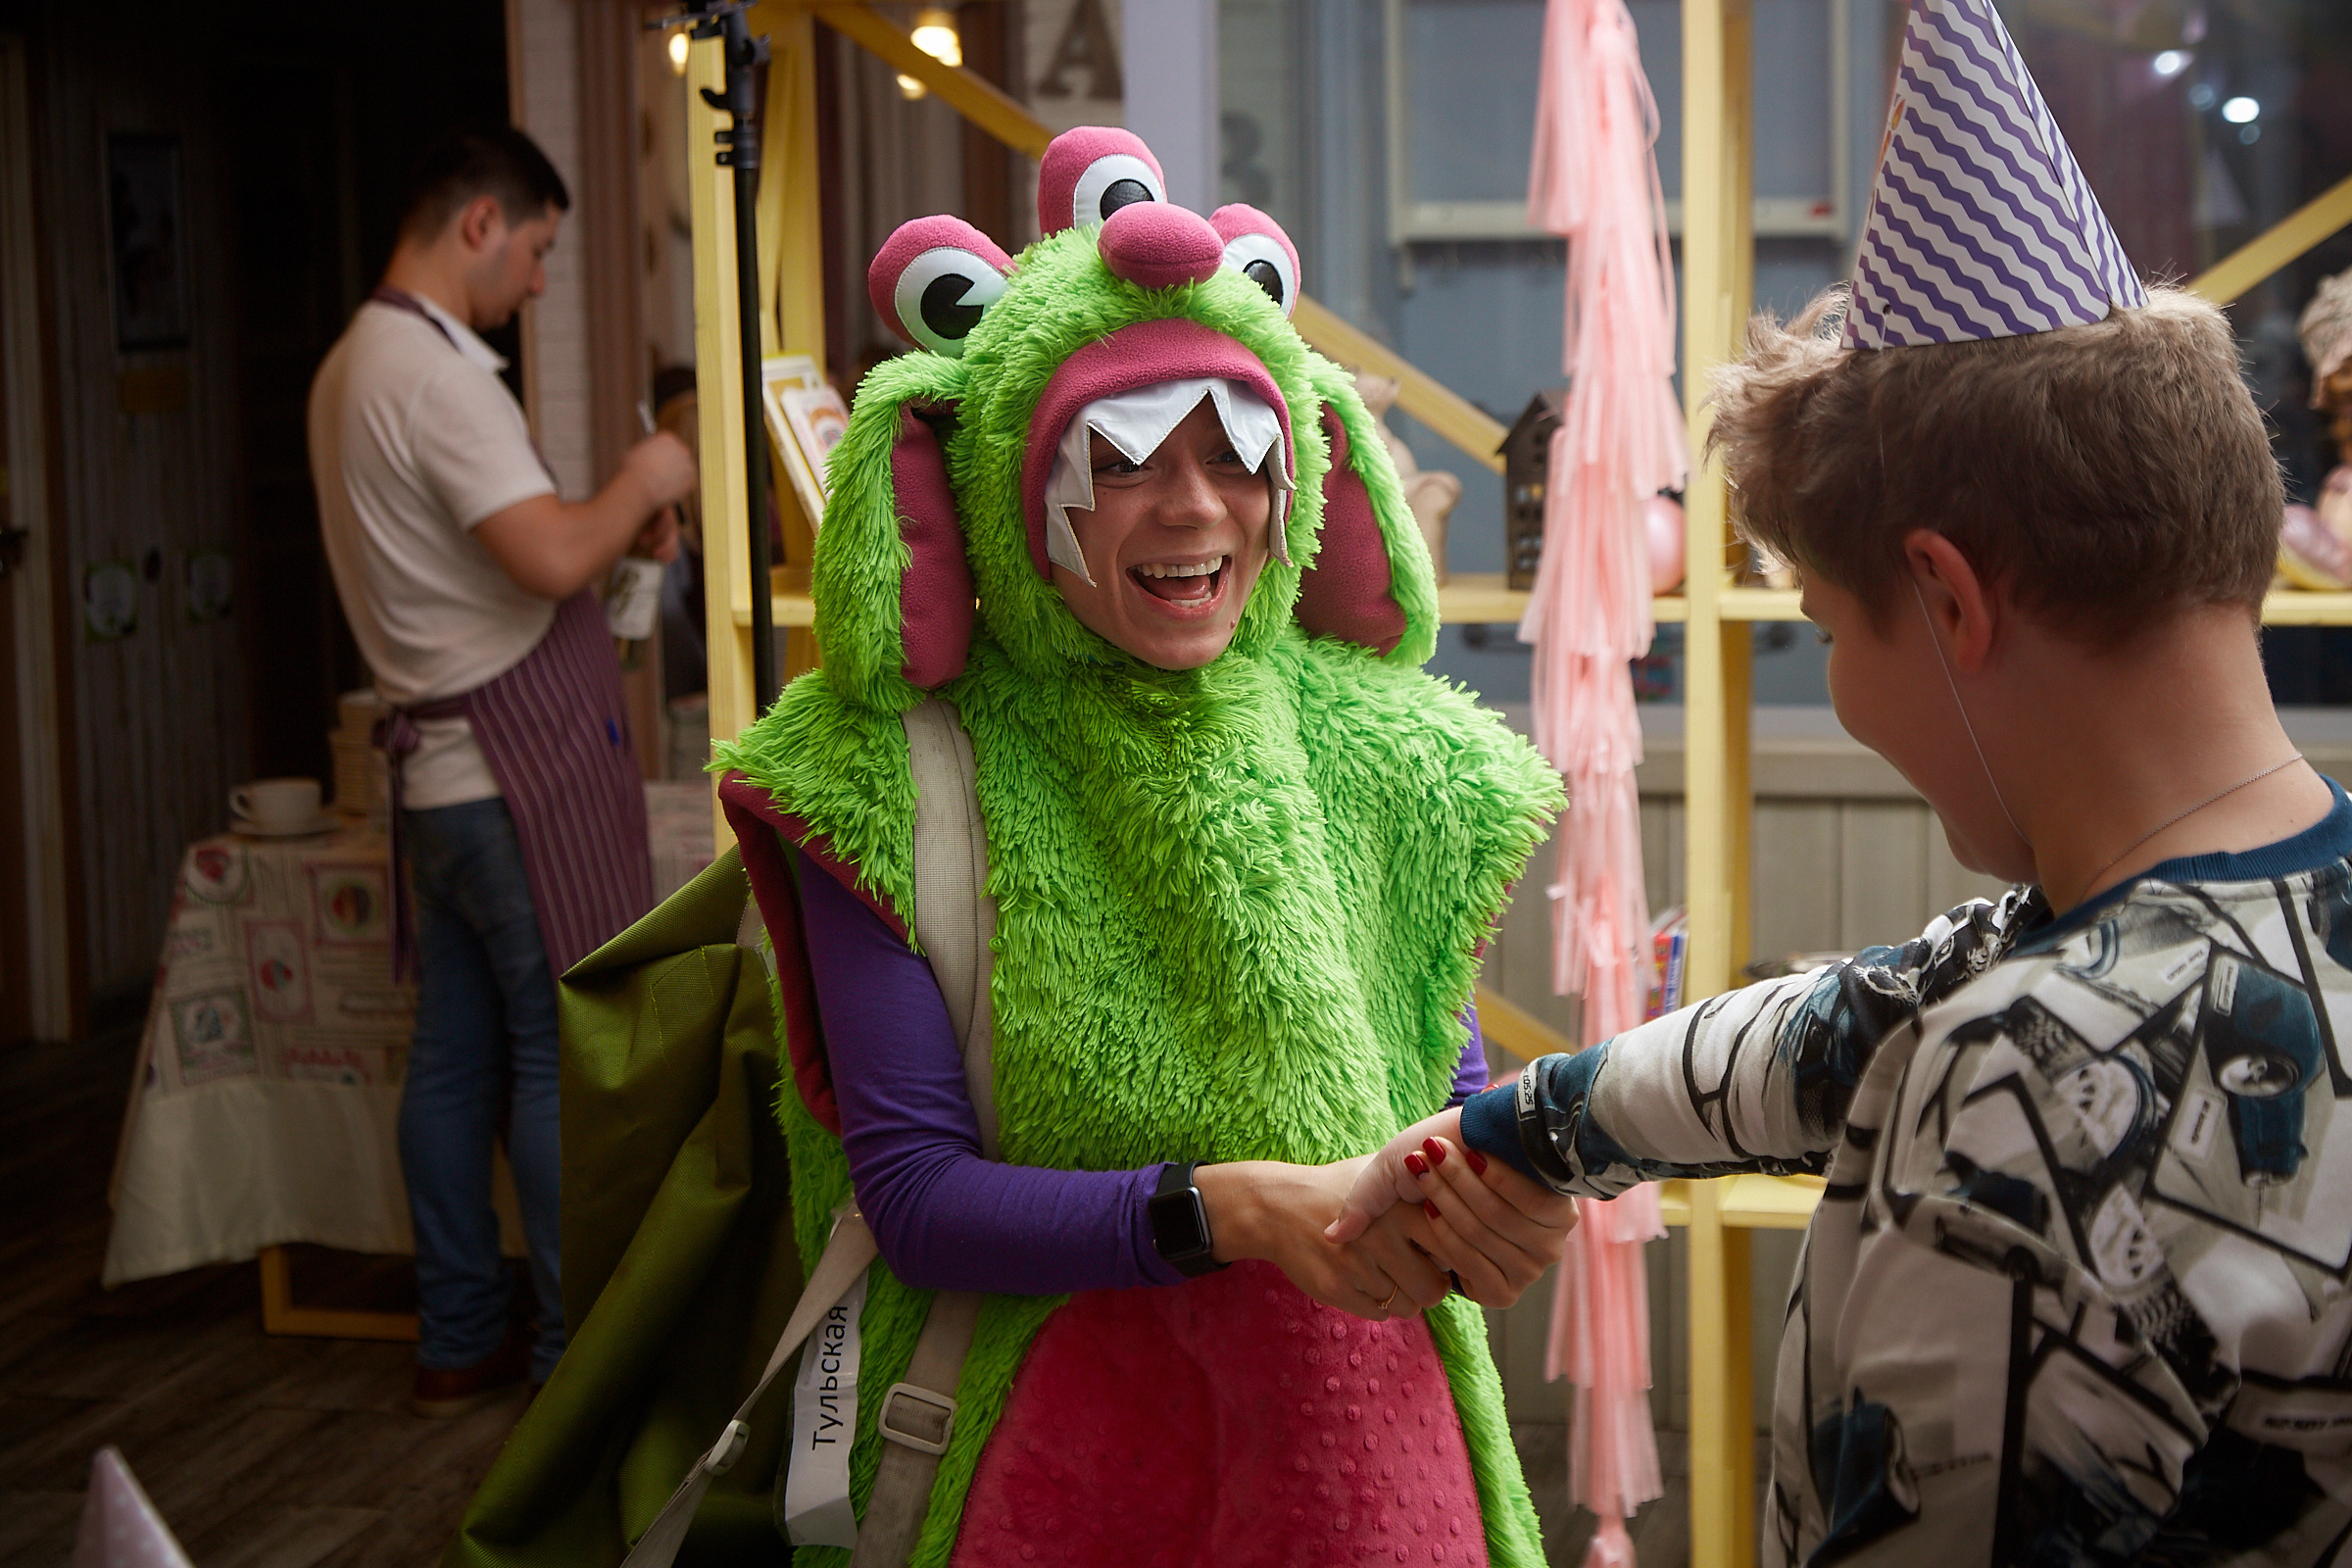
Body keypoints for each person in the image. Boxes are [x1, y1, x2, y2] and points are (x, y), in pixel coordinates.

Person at [1338, 3, 2352, 1561]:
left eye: (1826, 629)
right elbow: (1844, 1023)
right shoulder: (2173, 933)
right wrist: (1523, 1131)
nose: (1847, 689)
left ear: (1950, 602)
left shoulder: (2023, 1083)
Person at [711, 126, 1576, 1565]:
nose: (1194, 508)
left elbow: (1437, 1082)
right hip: (1047, 1468)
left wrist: (1489, 1196)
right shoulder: (888, 781)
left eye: (1236, 452)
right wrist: (1231, 1212)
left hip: (1370, 1463)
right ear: (1003, 490)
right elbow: (918, 1203)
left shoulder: (1399, 755)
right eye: (1120, 459)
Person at [308, 126, 698, 1416]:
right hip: (504, 774)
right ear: (480, 223)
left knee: (454, 1058)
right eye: (537, 250)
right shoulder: (431, 376)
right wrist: (646, 472)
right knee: (553, 1052)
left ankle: (458, 1333)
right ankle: (571, 1352)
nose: (538, 280)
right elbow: (544, 559)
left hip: (434, 777)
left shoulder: (346, 368)